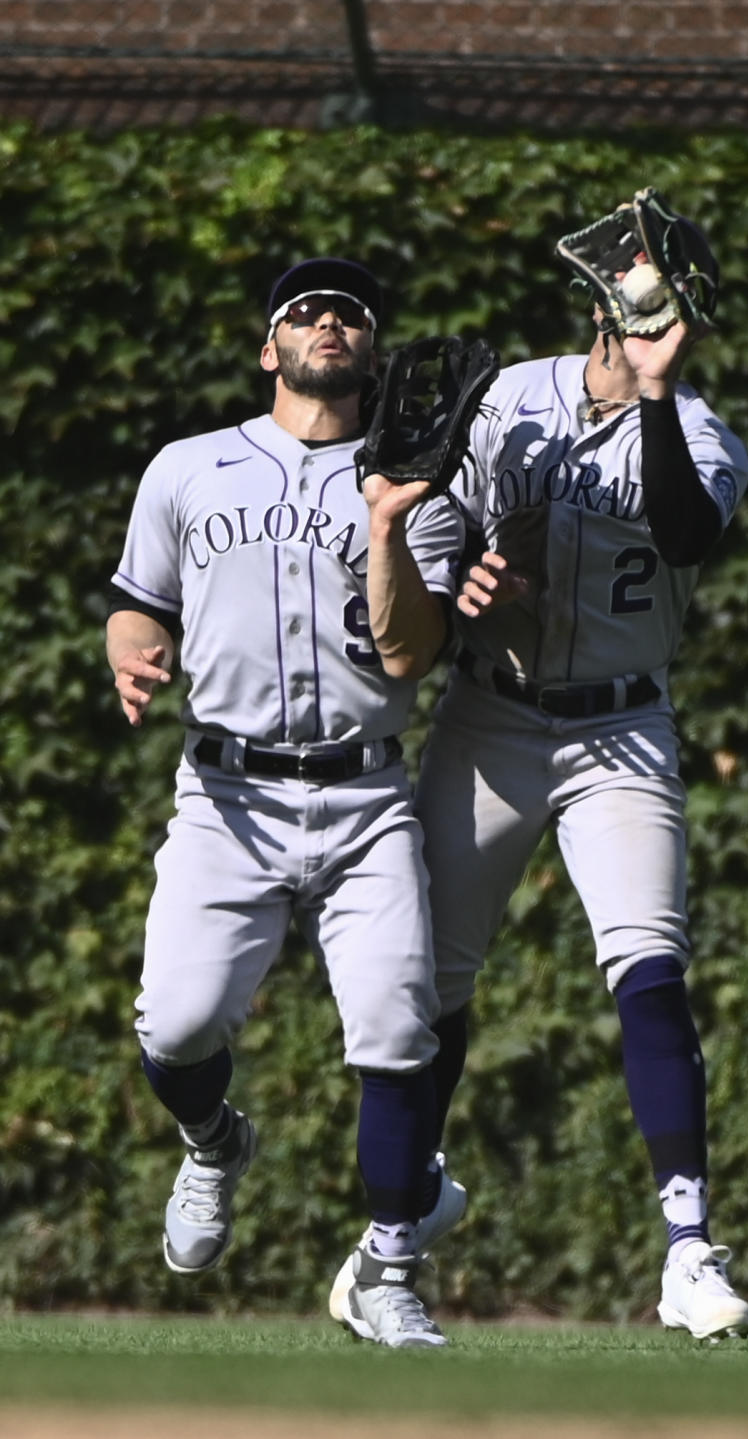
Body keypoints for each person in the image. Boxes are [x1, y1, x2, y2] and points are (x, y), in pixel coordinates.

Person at [332, 205, 748, 1341]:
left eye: (670, 296)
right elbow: (426, 552)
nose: (652, 313)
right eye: (639, 293)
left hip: (621, 729)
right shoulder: (510, 393)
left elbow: (682, 534)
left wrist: (658, 393)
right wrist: (464, 571)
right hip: (492, 715)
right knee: (431, 987)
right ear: (602, 301)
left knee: (650, 965)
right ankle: (392, 1235)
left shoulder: (703, 431)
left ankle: (688, 1246)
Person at [106, 256, 467, 1348]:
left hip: (365, 793)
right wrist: (133, 653)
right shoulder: (187, 467)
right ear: (270, 347)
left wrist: (393, 523)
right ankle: (215, 1139)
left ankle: (389, 1267)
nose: (325, 323)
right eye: (302, 312)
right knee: (173, 1024)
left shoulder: (416, 479)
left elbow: (409, 654)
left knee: (402, 1029)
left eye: (347, 312)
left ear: (371, 347)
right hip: (227, 794)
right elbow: (134, 603)